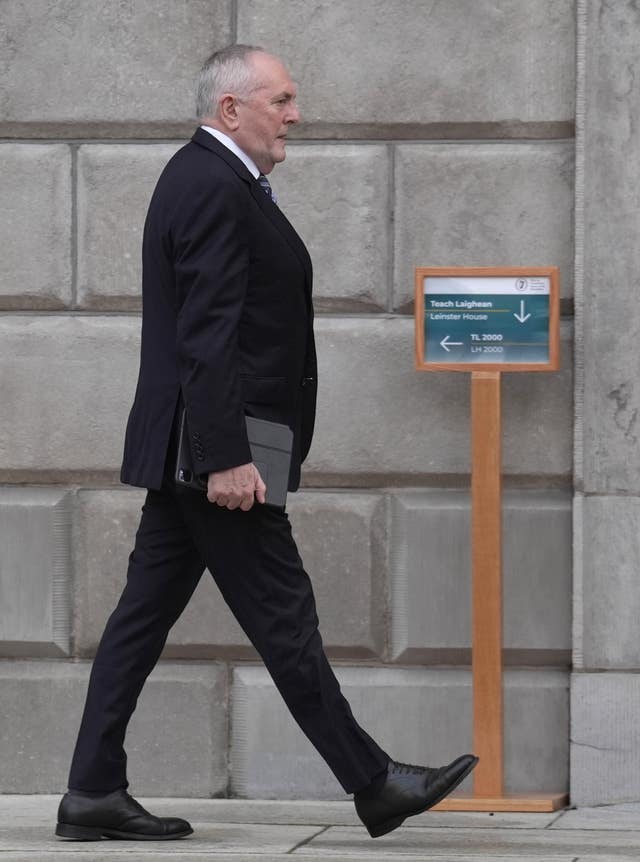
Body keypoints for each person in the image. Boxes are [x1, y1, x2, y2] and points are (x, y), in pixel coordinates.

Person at [55, 45, 478, 843]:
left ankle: (90, 791)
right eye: (280, 99)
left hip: (209, 444)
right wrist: (223, 456)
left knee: (138, 621)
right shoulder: (214, 186)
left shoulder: (215, 180)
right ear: (230, 111)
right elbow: (206, 337)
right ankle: (374, 781)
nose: (295, 114)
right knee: (284, 615)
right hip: (220, 451)